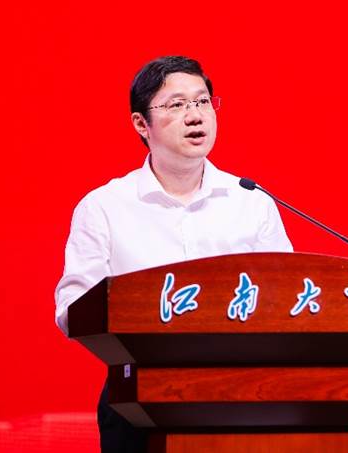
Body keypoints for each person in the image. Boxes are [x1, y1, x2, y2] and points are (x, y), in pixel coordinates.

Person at [54, 56, 292, 452]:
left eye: (202, 102)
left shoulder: (251, 202)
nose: (195, 115)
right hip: (136, 401)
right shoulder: (105, 207)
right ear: (141, 124)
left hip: (241, 397)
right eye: (177, 105)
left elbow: (284, 298)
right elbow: (71, 309)